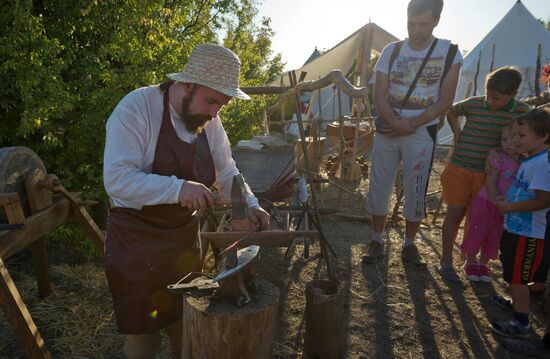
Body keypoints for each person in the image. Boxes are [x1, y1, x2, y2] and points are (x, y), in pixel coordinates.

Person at [102, 43, 270, 358]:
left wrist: (250, 203)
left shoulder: (210, 121)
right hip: (136, 243)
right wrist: (179, 189)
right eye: (210, 101)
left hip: (181, 241)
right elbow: (117, 179)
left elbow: (227, 173)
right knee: (144, 336)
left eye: (222, 105)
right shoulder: (136, 109)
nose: (214, 112)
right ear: (186, 84)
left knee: (185, 324)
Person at [363, 0, 462, 266]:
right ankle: (376, 240)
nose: (415, 30)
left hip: (421, 131)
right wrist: (395, 122)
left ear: (436, 21)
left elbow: (445, 101)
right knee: (379, 184)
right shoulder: (391, 51)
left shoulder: (450, 53)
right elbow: (378, 95)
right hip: (388, 126)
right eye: (411, 23)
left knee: (417, 186)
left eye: (423, 24)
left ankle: (409, 244)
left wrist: (412, 123)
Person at [437, 66, 529, 282]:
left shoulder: (522, 112)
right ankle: (446, 260)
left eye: (496, 98)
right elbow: (452, 110)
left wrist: (499, 150)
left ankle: (471, 262)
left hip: (488, 175)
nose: (490, 101)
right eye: (488, 94)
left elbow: (528, 136)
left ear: (513, 95)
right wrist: (457, 131)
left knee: (477, 218)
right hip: (459, 167)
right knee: (454, 213)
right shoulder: (475, 103)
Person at [490, 108, 550, 338]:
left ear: (543, 136)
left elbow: (544, 200)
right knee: (512, 274)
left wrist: (510, 207)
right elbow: (526, 191)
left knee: (519, 278)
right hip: (515, 227)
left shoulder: (542, 164)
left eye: (521, 136)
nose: (515, 140)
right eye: (514, 135)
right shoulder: (530, 160)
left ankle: (521, 324)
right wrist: (509, 199)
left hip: (529, 234)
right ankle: (516, 303)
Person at [460, 125, 520, 282]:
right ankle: (470, 262)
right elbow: (490, 184)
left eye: (512, 139)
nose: (508, 143)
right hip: (487, 202)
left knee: (496, 234)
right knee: (478, 230)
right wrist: (499, 205)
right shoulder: (498, 158)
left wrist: (505, 207)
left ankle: (482, 264)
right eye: (504, 139)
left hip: (507, 206)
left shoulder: (525, 161)